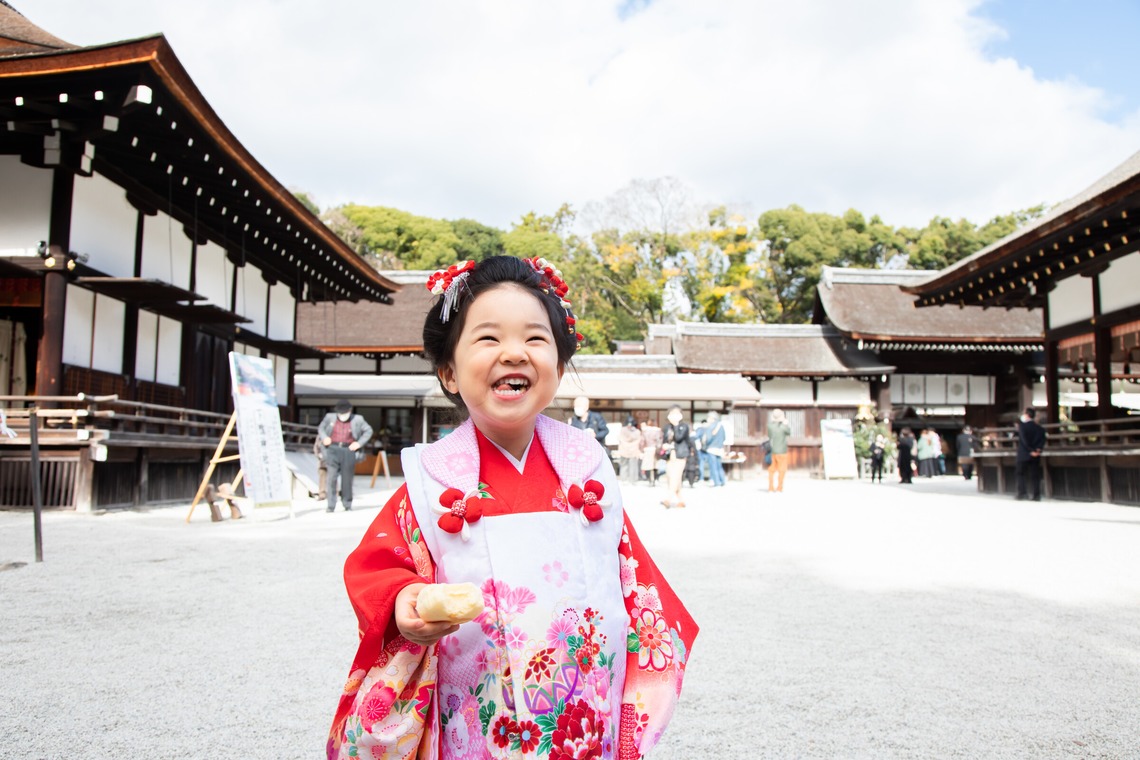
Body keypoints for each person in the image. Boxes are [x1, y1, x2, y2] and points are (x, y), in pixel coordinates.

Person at [326, 256, 697, 759]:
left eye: (535, 338)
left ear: (560, 368)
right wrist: (404, 599)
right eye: (488, 338)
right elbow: (378, 565)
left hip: (585, 713)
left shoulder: (585, 467)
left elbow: (633, 578)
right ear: (448, 372)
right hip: (477, 714)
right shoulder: (432, 477)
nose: (514, 353)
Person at [318, 399, 373, 512]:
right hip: (332, 449)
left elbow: (368, 430)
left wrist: (358, 443)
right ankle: (331, 505)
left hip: (348, 450)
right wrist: (324, 438)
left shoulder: (358, 419)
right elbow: (321, 428)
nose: (342, 415)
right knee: (331, 478)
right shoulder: (329, 417)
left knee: (347, 478)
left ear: (350, 410)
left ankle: (347, 504)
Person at [660, 405, 693, 508]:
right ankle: (681, 500)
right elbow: (665, 440)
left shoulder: (684, 426)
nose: (673, 416)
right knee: (671, 477)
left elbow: (678, 438)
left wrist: (675, 424)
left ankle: (668, 499)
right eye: (671, 414)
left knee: (676, 476)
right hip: (670, 455)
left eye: (676, 414)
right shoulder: (667, 427)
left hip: (680, 455)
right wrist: (664, 445)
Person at [1016, 407, 1046, 500]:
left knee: (1020, 473)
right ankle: (1036, 495)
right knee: (1035, 475)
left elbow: (1024, 440)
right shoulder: (1039, 428)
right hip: (1036, 454)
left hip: (1024, 453)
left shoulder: (1023, 426)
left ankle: (1022, 493)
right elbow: (1042, 440)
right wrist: (1038, 450)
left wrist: (1030, 450)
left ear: (1027, 415)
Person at [767, 408, 791, 493]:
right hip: (782, 451)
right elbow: (789, 432)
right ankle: (779, 488)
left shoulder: (770, 426)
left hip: (773, 451)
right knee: (782, 470)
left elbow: (769, 436)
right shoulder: (783, 427)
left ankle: (770, 487)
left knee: (771, 470)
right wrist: (786, 424)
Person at [701, 411, 727, 487]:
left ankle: (717, 482)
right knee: (719, 466)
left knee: (713, 466)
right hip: (719, 449)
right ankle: (722, 481)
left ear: (712, 418)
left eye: (709, 418)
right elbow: (724, 438)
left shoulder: (711, 427)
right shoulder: (721, 426)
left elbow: (708, 439)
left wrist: (704, 444)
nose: (708, 419)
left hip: (711, 449)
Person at [616, 415, 642, 485]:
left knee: (624, 465)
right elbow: (639, 441)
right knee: (633, 466)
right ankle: (633, 480)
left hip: (624, 450)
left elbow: (619, 439)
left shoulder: (622, 430)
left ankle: (624, 480)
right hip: (633, 450)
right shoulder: (637, 431)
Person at [639, 419, 662, 486]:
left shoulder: (645, 431)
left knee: (647, 466)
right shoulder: (658, 431)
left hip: (647, 449)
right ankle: (654, 479)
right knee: (655, 466)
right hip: (655, 449)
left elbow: (642, 441)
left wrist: (641, 450)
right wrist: (659, 449)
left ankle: (649, 480)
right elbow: (659, 441)